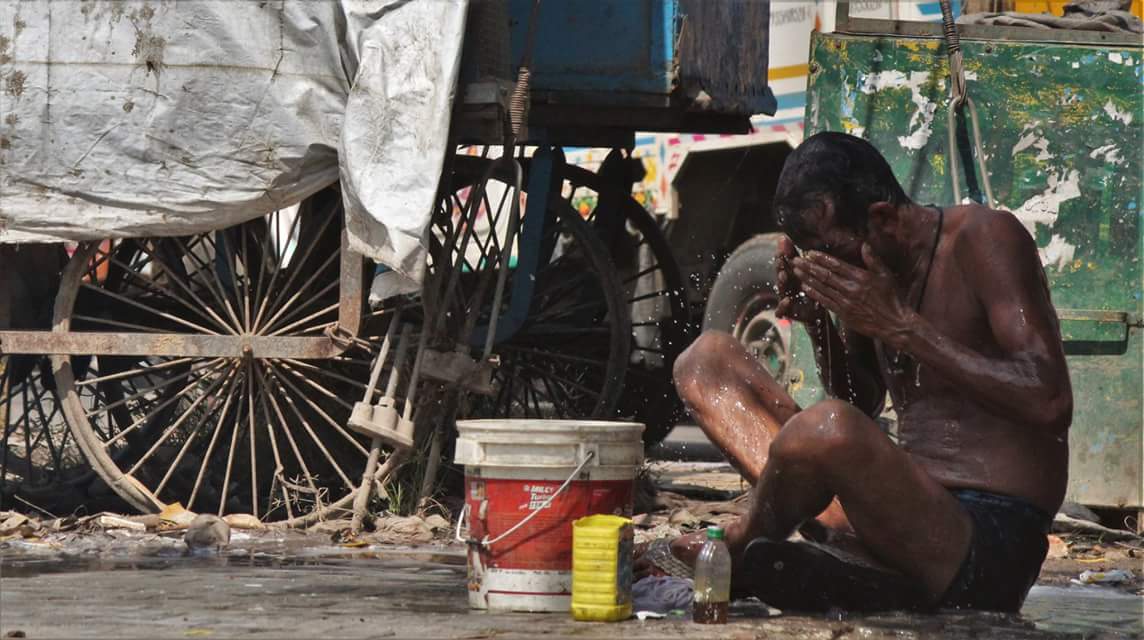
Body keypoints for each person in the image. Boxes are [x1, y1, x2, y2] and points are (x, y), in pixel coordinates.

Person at [643, 132, 1072, 612]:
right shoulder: (874, 265)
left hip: (984, 541)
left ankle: (743, 546)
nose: (832, 270)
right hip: (892, 517)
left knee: (827, 428)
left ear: (883, 218)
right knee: (707, 362)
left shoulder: (983, 238)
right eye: (815, 261)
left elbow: (1050, 400)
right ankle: (860, 571)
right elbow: (861, 401)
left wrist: (903, 328)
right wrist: (819, 322)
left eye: (835, 254)